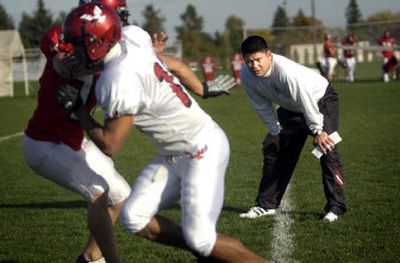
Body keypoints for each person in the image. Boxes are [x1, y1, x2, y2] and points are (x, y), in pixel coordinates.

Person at [56, 3, 269, 262]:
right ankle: (208, 253)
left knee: (201, 238)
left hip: (201, 147)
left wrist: (78, 111)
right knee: (134, 217)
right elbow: (165, 61)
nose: (73, 51)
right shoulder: (134, 36)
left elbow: (111, 144)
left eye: (78, 44)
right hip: (174, 152)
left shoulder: (117, 80)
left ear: (96, 42)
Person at [22, 1, 134, 262]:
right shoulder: (66, 37)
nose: (120, 22)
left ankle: (90, 258)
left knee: (121, 195)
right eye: (116, 15)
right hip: (44, 142)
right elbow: (63, 64)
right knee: (98, 192)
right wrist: (103, 64)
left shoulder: (117, 53)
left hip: (73, 140)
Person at [238, 35, 346, 223]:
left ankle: (336, 207)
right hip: (290, 108)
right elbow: (261, 105)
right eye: (249, 62)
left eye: (258, 60)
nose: (254, 65)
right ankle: (266, 205)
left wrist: (318, 131)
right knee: (274, 148)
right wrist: (274, 130)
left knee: (326, 149)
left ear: (268, 55)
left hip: (320, 101)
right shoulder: (246, 76)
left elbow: (306, 100)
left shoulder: (286, 72)